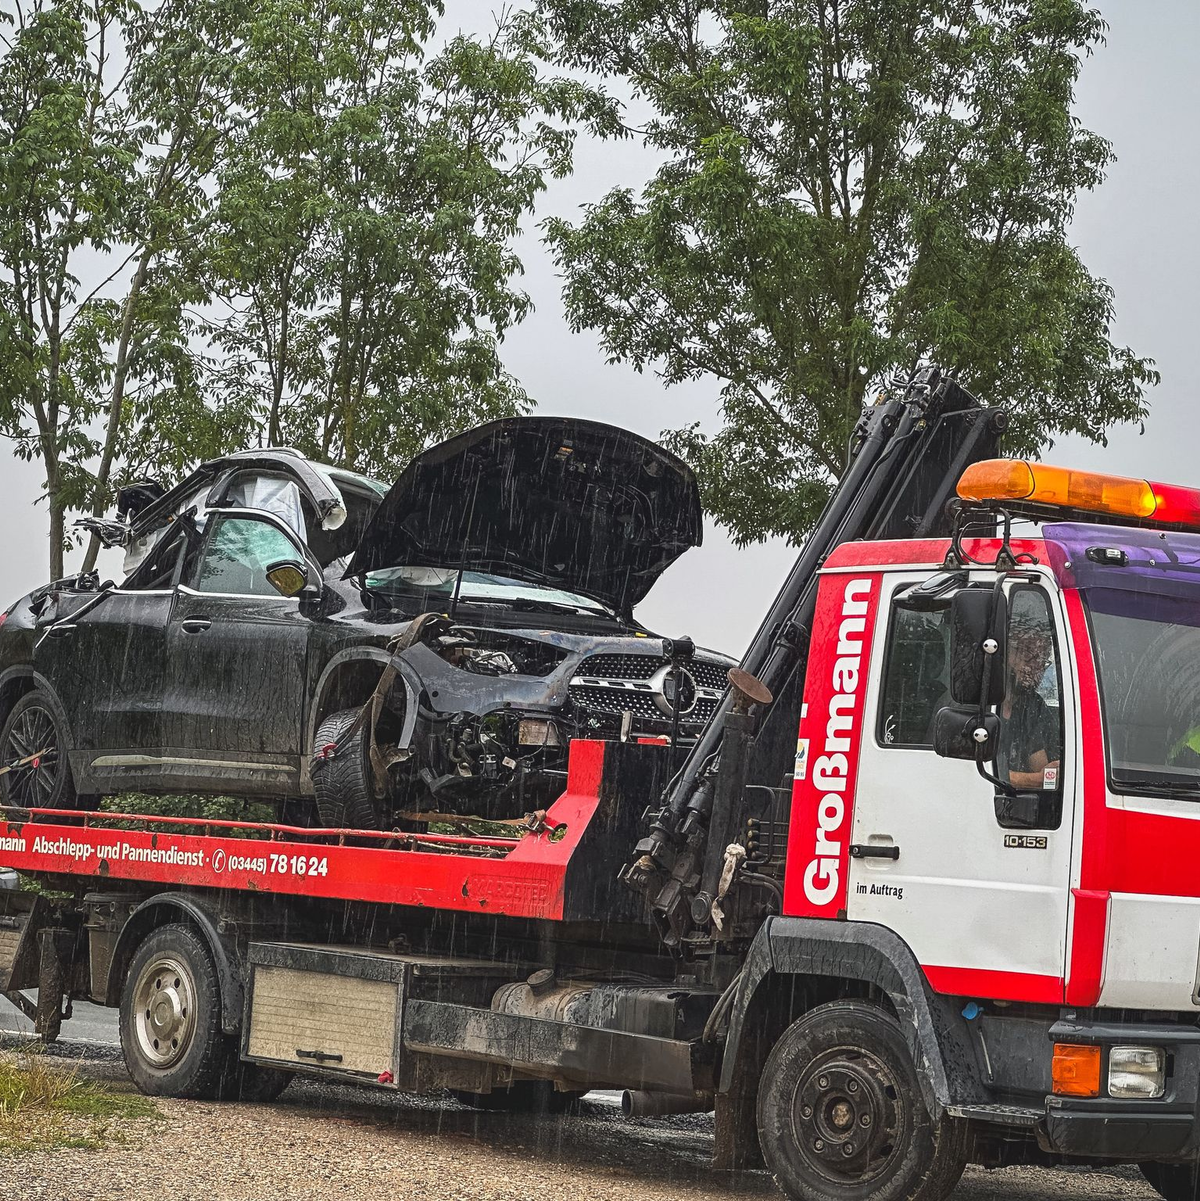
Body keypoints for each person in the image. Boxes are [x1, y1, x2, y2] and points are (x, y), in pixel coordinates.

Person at [998, 611, 1061, 790]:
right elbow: (978, 774)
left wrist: (1049, 774)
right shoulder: (971, 702)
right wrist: (1036, 780)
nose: (1036, 668)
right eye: (1029, 656)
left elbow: (1041, 766)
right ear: (1005, 652)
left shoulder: (1032, 705)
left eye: (1041, 661)